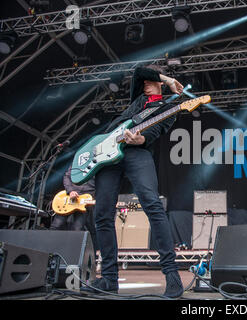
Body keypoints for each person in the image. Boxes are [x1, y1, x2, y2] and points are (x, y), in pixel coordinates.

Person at [80, 64, 184, 298]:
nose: (146, 84)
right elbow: (139, 71)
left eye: (151, 82)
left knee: (152, 204)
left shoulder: (168, 107)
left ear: (157, 86)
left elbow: (158, 131)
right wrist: (167, 79)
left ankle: (172, 276)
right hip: (108, 153)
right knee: (102, 214)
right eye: (148, 81)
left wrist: (142, 139)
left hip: (137, 152)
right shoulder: (138, 98)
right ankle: (108, 279)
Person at [51, 165, 98, 254]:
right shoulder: (79, 161)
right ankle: (49, 252)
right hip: (69, 197)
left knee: (77, 229)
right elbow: (67, 176)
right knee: (57, 225)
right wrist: (70, 191)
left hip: (86, 200)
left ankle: (73, 255)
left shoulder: (100, 165)